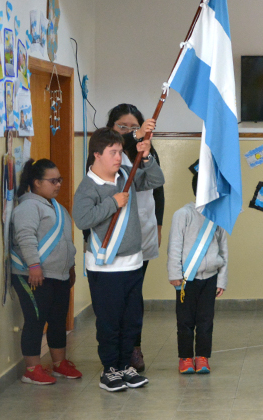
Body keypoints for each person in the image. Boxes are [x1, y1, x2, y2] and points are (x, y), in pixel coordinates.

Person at [72, 127, 164, 392]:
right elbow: (82, 219)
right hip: (105, 266)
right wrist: (113, 203)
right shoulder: (88, 187)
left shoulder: (126, 174)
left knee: (131, 321)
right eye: (113, 153)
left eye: (121, 152)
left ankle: (126, 367)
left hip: (133, 263)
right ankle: (110, 369)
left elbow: (156, 179)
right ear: (96, 155)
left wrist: (146, 159)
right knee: (110, 322)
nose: (118, 158)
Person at [10, 159, 81, 385]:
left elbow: (66, 241)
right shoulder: (28, 207)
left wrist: (70, 267)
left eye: (59, 180)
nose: (58, 184)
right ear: (37, 183)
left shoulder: (57, 208)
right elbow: (25, 237)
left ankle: (59, 364)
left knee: (58, 320)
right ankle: (32, 369)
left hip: (58, 275)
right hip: (33, 274)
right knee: (35, 320)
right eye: (53, 181)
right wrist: (33, 265)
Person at [107, 103, 164, 372]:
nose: (129, 132)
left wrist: (160, 224)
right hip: (113, 232)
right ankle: (114, 349)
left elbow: (158, 188)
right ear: (110, 129)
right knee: (115, 294)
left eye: (134, 126)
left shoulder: (147, 151)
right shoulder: (104, 153)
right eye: (123, 127)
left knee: (134, 293)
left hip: (144, 227)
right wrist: (136, 134)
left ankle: (134, 347)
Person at [167, 175, 228, 375]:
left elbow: (223, 250)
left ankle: (202, 357)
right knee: (184, 321)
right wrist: (174, 273)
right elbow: (174, 246)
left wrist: (221, 279)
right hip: (186, 279)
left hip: (210, 278)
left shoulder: (217, 217)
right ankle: (185, 357)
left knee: (206, 320)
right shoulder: (182, 214)